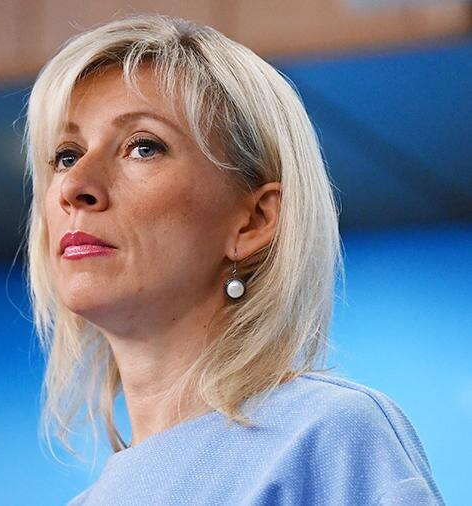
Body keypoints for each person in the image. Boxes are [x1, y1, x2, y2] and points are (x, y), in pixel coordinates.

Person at [23, 14, 443, 505]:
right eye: (67, 156)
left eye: (143, 147)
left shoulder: (327, 439)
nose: (74, 186)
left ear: (253, 221)